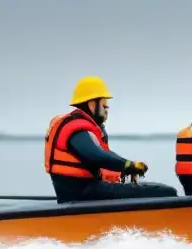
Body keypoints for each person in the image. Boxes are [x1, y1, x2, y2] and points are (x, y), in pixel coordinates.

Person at [45, 76, 178, 202]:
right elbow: (95, 155)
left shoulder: (81, 126)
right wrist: (128, 165)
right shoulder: (76, 129)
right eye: (104, 107)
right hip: (83, 193)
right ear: (92, 104)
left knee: (154, 188)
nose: (107, 111)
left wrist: (121, 171)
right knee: (165, 192)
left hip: (83, 191)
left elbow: (104, 157)